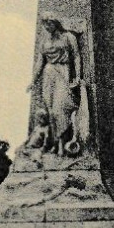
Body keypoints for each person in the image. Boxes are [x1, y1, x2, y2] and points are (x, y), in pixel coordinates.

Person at [27, 17, 83, 155]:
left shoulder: (68, 37)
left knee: (61, 108)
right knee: (51, 112)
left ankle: (64, 143)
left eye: (49, 23)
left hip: (63, 71)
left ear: (56, 23)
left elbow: (76, 56)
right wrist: (33, 81)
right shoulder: (44, 41)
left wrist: (77, 76)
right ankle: (56, 144)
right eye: (44, 24)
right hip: (48, 74)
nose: (47, 26)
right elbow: (40, 63)